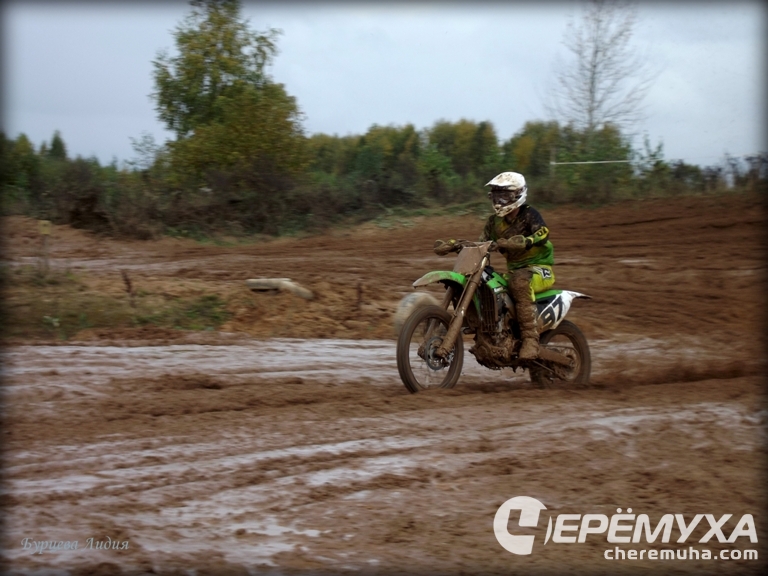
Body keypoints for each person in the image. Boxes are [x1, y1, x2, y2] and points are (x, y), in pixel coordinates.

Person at [434, 172, 554, 359]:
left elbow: (543, 233)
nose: (499, 201)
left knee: (518, 284)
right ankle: (491, 331)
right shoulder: (494, 222)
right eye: (496, 196)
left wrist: (526, 241)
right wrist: (454, 244)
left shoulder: (529, 214)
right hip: (515, 270)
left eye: (504, 196)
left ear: (518, 194)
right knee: (488, 284)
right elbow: (481, 243)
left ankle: (530, 339)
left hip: (539, 268)